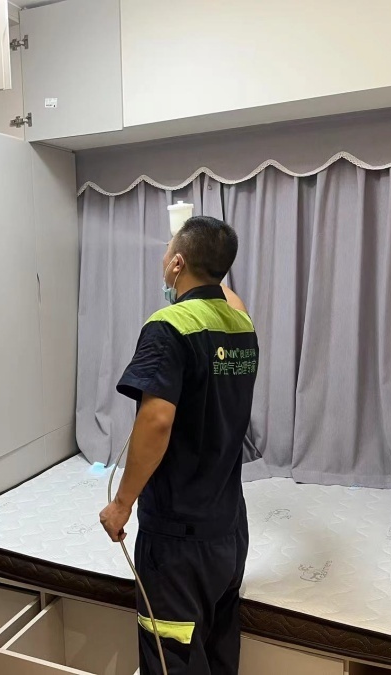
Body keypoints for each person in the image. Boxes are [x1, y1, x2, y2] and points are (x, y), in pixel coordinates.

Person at [99, 215, 259, 675]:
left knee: (173, 662)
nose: (163, 256)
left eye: (168, 250)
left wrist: (122, 504)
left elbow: (156, 420)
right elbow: (224, 295)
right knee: (218, 653)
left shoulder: (167, 327)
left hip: (178, 539)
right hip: (229, 531)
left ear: (177, 264)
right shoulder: (240, 324)